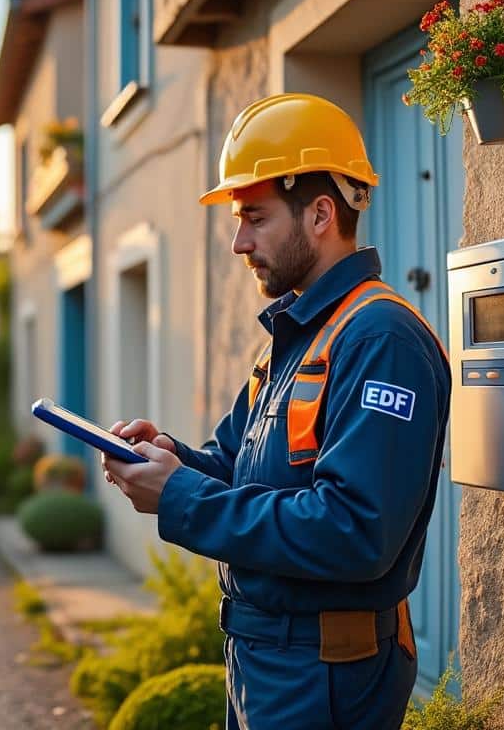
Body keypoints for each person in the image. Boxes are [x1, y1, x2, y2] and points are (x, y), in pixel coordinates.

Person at [101, 93, 451, 729]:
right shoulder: (296, 340)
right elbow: (237, 468)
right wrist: (171, 460)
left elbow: (354, 530)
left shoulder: (380, 341)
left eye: (255, 218)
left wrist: (178, 496)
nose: (239, 242)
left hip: (324, 677)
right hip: (267, 660)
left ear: (320, 214)